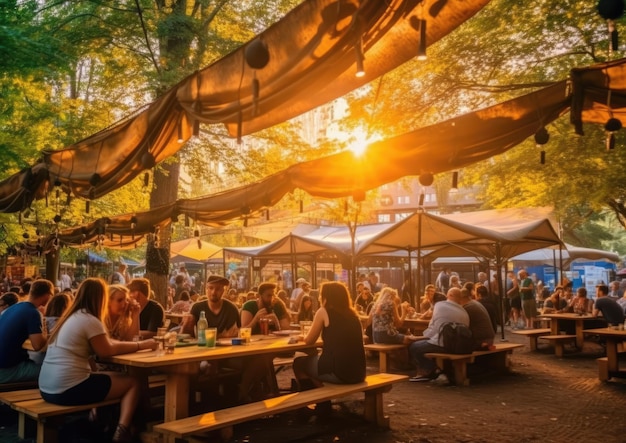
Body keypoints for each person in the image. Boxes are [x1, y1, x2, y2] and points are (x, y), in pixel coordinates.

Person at [38, 278, 157, 443]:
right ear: (101, 298)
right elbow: (106, 351)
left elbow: (109, 344)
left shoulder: (73, 316)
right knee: (133, 383)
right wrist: (141, 345)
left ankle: (105, 422)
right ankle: (121, 433)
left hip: (46, 388)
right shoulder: (90, 320)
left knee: (113, 377)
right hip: (67, 389)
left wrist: (137, 343)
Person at [293, 281, 366, 389]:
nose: (319, 298)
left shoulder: (323, 311)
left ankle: (316, 400)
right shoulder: (354, 316)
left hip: (339, 374)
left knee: (298, 363)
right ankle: (321, 397)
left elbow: (309, 341)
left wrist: (299, 337)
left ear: (326, 297)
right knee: (317, 360)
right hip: (359, 374)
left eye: (321, 295)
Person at [408, 287, 469, 382]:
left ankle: (433, 371)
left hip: (443, 344)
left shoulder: (440, 306)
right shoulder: (464, 312)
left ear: (450, 295)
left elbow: (433, 331)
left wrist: (417, 338)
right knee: (425, 344)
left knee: (414, 347)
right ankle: (437, 371)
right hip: (459, 346)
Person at [0, 279, 53, 383]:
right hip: (6, 370)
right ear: (47, 295)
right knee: (51, 372)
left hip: (5, 365)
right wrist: (45, 326)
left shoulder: (14, 307)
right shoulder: (32, 313)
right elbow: (38, 345)